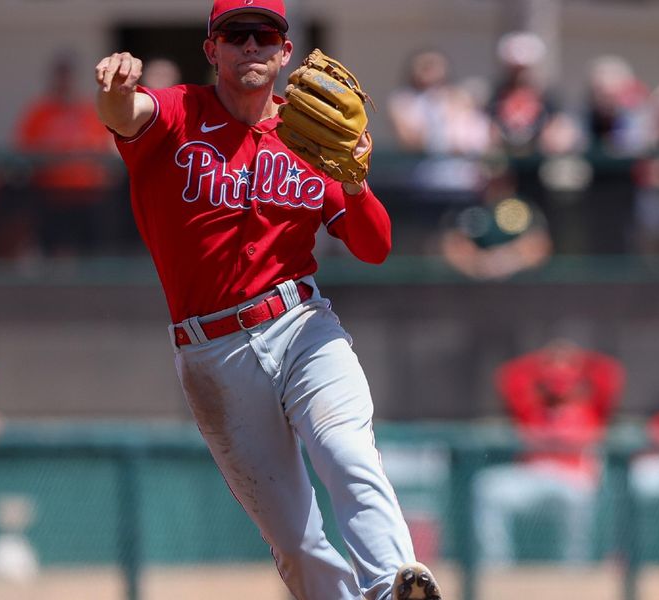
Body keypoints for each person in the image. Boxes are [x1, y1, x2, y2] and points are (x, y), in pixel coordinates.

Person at [94, 1, 441, 598]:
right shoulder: (180, 113)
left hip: (303, 325)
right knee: (298, 544)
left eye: (265, 34)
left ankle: (392, 587)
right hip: (214, 354)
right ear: (213, 50)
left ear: (285, 52)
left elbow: (376, 246)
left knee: (346, 450)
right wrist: (117, 88)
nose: (250, 45)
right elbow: (126, 113)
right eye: (235, 34)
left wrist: (355, 183)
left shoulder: (309, 133)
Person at [473, 339, 624, 565]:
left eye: (565, 374)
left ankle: (575, 571)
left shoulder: (589, 409)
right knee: (488, 488)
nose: (560, 381)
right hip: (533, 476)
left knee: (581, 501)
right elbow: (509, 376)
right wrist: (545, 359)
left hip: (572, 480)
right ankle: (496, 567)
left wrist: (576, 359)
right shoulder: (531, 408)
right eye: (553, 373)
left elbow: (611, 374)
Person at [16, 50, 114, 257]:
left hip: (88, 193)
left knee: (91, 252)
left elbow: (107, 145)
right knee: (54, 251)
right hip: (52, 194)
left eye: (67, 75)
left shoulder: (89, 110)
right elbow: (26, 152)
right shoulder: (39, 113)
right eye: (60, 75)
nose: (64, 81)